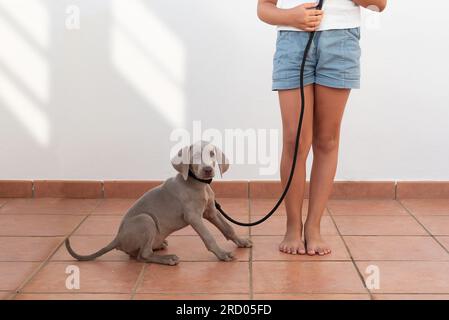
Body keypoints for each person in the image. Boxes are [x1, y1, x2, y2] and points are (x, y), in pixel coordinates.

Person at [257, 0, 387, 255]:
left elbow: (378, 5)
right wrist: (290, 16)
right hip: (292, 41)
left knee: (326, 141)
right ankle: (292, 225)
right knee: (295, 141)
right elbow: (264, 8)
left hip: (341, 43)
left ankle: (313, 227)